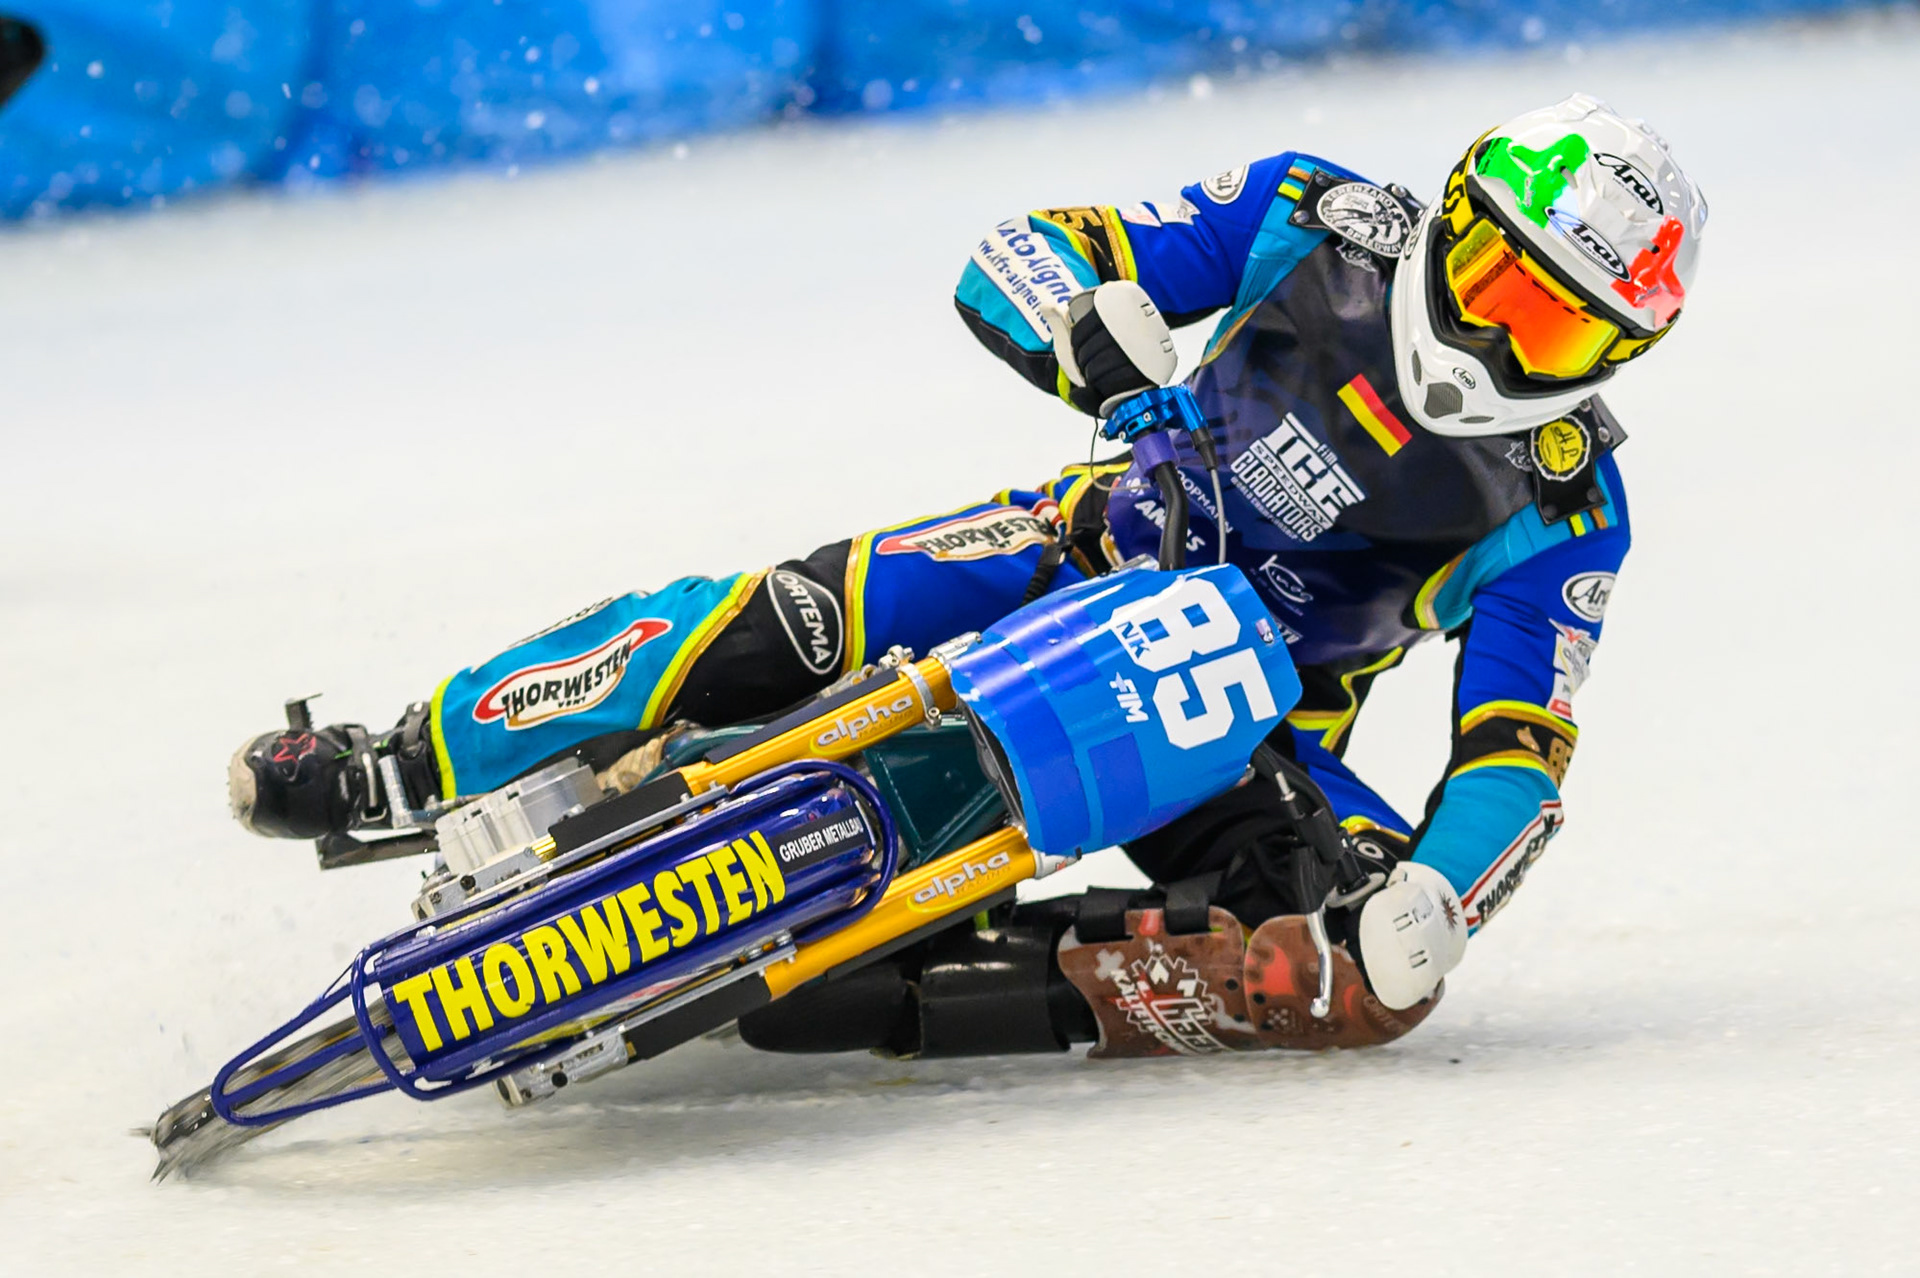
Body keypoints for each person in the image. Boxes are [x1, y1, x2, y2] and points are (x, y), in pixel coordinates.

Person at [228, 94, 1704, 1056]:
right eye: (1496, 277)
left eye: (1557, 331)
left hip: (1245, 728)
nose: (1502, 340)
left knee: (1365, 973)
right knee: (763, 618)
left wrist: (1437, 894)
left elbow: (1520, 751)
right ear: (1452, 212)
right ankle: (400, 754)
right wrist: (1096, 342)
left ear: (1616, 354)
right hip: (1079, 539)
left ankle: (997, 980)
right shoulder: (1308, 215)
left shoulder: (1568, 509)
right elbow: (1025, 247)